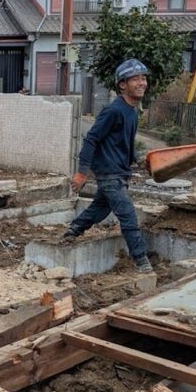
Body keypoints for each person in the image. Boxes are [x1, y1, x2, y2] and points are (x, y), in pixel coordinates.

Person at [63, 58, 153, 274]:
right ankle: (142, 262)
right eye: (135, 79)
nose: (142, 83)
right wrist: (82, 172)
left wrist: (139, 159)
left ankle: (73, 231)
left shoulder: (132, 111)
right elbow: (91, 139)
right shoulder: (113, 111)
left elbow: (125, 142)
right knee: (128, 215)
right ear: (122, 84)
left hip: (120, 172)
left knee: (100, 208)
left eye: (143, 78)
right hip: (109, 173)